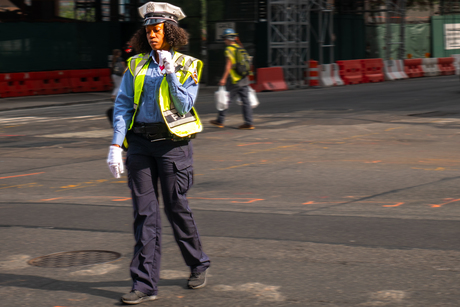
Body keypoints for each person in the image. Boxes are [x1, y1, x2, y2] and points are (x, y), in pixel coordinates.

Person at [106, 2, 210, 304]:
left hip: (173, 146)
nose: (152, 35)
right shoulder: (135, 65)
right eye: (148, 30)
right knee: (144, 214)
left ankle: (198, 263)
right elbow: (124, 105)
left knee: (176, 208)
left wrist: (169, 72)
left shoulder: (188, 65)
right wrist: (115, 144)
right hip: (139, 145)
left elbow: (184, 106)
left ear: (171, 32)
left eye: (157, 30)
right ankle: (144, 284)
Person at [210, 28, 254, 130]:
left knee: (226, 100)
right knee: (246, 101)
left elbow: (228, 65)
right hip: (244, 79)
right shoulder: (240, 48)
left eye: (225, 39)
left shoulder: (229, 49)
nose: (224, 41)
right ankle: (249, 122)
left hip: (235, 80)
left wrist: (223, 79)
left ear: (228, 39)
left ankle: (220, 121)